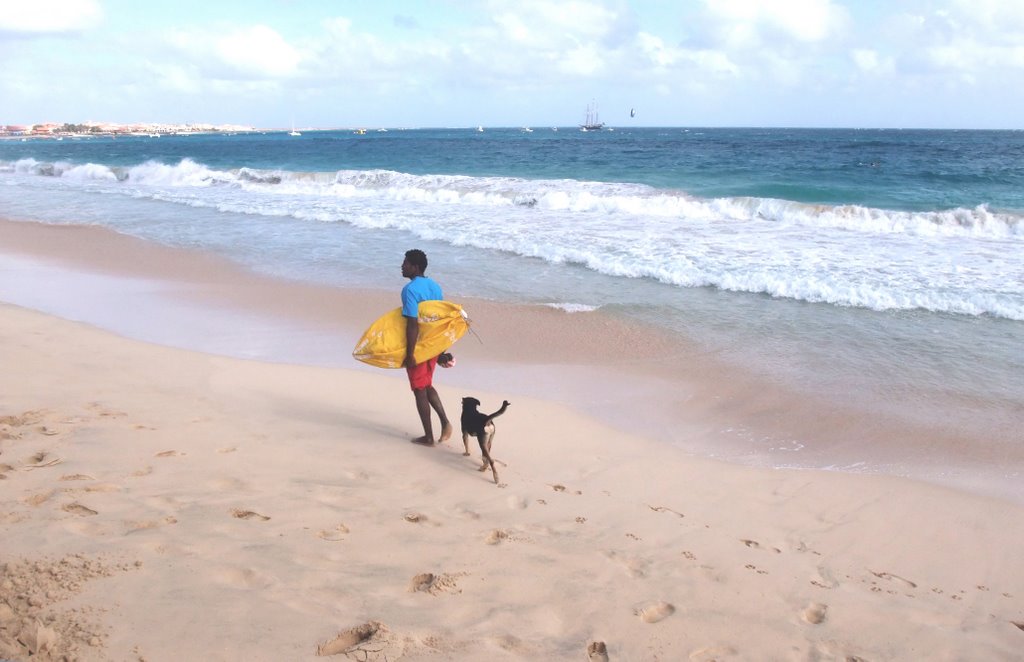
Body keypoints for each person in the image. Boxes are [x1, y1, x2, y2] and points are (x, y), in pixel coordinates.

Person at [401, 249, 453, 446]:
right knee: (426, 384)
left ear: (415, 267)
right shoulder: (435, 286)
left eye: (405, 263)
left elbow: (412, 324)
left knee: (419, 389)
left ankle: (429, 437)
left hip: (420, 345)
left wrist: (410, 353)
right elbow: (438, 319)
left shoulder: (410, 290)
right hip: (433, 343)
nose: (402, 266)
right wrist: (440, 349)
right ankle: (445, 422)